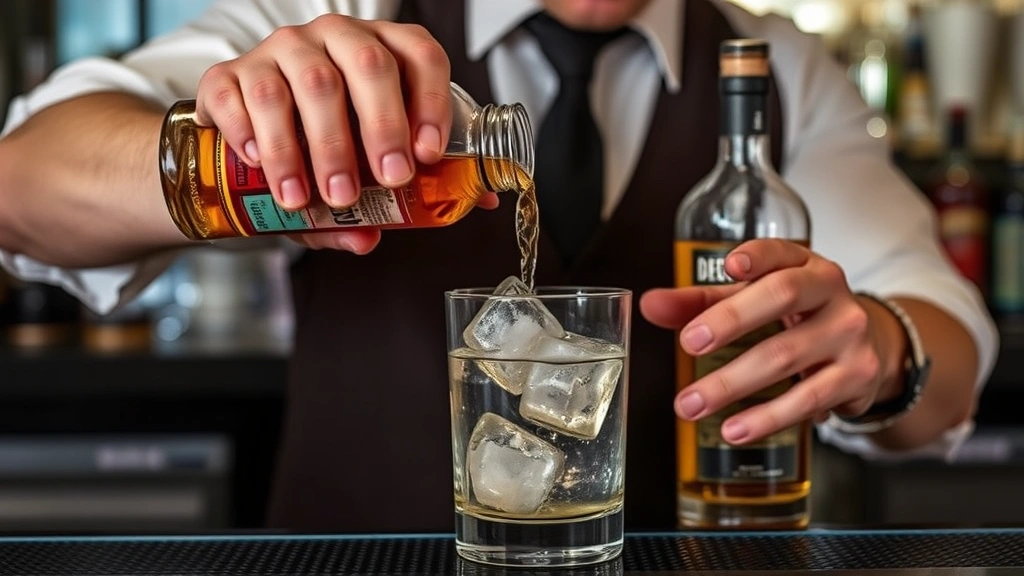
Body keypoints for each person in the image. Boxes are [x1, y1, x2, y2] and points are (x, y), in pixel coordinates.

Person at [0, 0, 998, 532]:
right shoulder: (337, 9)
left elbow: (942, 339)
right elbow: (23, 185)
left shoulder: (772, 66)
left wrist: (878, 353)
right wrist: (223, 157)